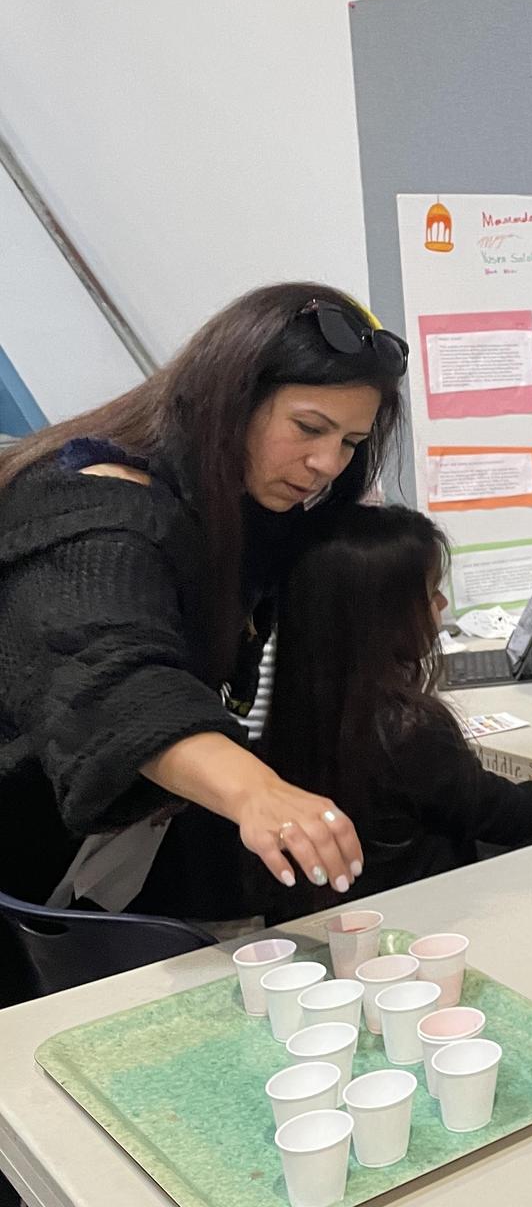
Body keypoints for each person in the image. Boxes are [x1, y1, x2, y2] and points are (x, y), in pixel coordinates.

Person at [0, 283, 407, 929]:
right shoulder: (93, 508)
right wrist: (257, 792)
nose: (326, 463)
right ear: (232, 400)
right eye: (309, 428)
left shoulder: (246, 509)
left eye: (351, 442)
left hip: (124, 856)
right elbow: (117, 679)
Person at [258, 505, 532, 905]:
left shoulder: (292, 707)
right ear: (385, 613)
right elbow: (518, 815)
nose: (440, 603)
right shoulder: (407, 731)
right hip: (422, 914)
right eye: (431, 591)